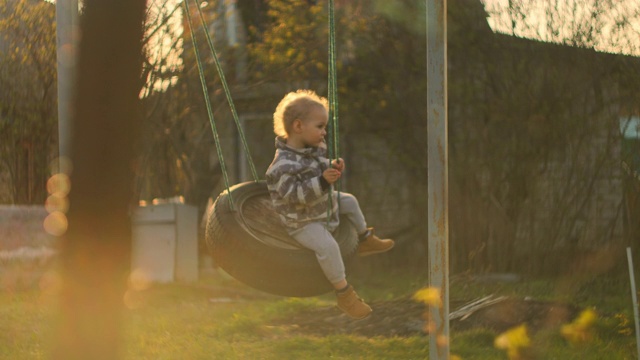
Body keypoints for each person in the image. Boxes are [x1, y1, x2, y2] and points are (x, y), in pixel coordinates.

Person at [265, 89, 395, 320]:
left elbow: (319, 168)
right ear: (298, 126)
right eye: (320, 126)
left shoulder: (311, 150)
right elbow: (296, 196)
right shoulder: (281, 166)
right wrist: (324, 180)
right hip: (302, 221)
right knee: (328, 247)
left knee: (349, 200)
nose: (324, 132)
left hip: (321, 205)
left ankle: (365, 239)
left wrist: (332, 166)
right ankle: (344, 294)